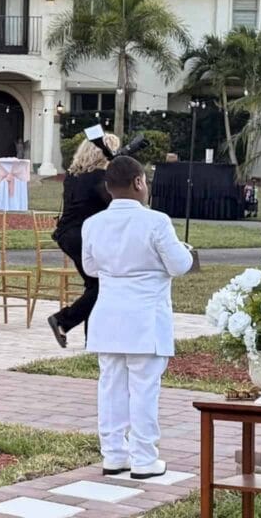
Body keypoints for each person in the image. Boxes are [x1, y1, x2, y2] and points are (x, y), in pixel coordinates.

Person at [83, 155, 194, 479]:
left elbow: (91, 268)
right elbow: (180, 265)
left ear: (108, 187)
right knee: (144, 389)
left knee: (111, 387)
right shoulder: (156, 221)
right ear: (139, 182)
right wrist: (182, 249)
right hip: (145, 318)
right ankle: (144, 458)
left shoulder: (93, 224)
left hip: (107, 315)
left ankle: (114, 454)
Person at [46, 133, 120, 348]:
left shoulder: (72, 176)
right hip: (83, 237)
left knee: (94, 284)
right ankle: (63, 320)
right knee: (103, 285)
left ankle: (92, 339)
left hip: (68, 234)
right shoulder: (100, 179)